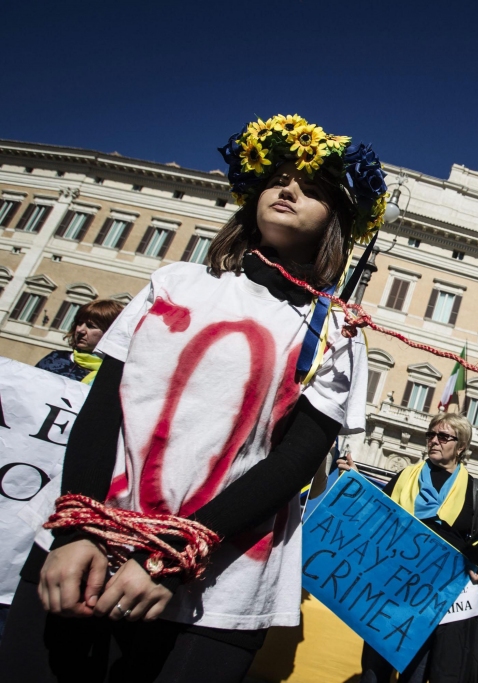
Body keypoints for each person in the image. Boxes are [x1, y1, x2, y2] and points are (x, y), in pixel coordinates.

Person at [0, 113, 386, 682]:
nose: (288, 190)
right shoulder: (174, 282)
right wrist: (77, 530)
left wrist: (170, 557)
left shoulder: (338, 332)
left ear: (336, 221)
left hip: (215, 587)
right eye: (278, 179)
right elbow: (104, 408)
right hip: (83, 551)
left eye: (312, 189)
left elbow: (295, 461)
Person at [346, 412, 478, 683]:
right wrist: (356, 483)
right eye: (431, 435)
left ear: (461, 446)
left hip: (435, 600)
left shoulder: (475, 490)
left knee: (416, 674)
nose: (434, 440)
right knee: (374, 672)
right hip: (391, 590)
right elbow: (377, 516)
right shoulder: (405, 476)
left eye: (443, 436)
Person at [34, 299, 125, 383]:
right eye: (79, 323)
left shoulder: (117, 375)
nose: (80, 330)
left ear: (110, 332)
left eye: (91, 326)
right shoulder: (55, 358)